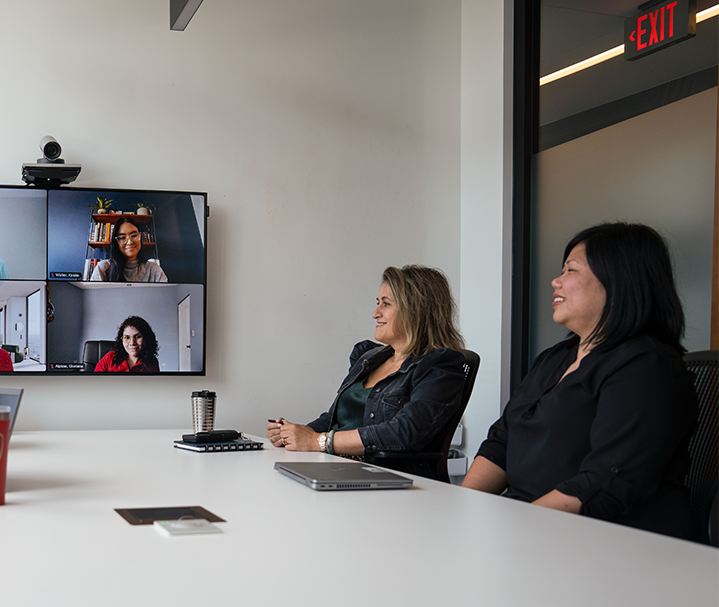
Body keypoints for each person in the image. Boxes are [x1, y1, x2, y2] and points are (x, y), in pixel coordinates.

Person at [462, 222, 697, 539]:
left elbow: (604, 483)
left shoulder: (647, 366)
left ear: (618, 279)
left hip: (605, 544)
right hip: (532, 528)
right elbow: (501, 444)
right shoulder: (555, 358)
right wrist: (463, 510)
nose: (555, 282)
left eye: (570, 271)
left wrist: (512, 531)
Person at [267, 265, 468, 478]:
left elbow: (404, 432)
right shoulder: (368, 357)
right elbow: (333, 418)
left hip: (383, 478)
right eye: (377, 303)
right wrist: (294, 436)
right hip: (335, 466)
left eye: (386, 304)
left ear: (416, 310)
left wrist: (318, 441)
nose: (375, 313)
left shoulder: (441, 366)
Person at [89, 218, 168, 282]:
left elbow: (165, 297)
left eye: (134, 236)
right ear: (116, 243)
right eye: (122, 238)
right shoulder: (103, 268)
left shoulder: (153, 269)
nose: (130, 242)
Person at [94, 315, 160, 373]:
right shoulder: (109, 358)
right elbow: (95, 383)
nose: (132, 343)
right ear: (121, 339)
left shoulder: (151, 362)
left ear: (146, 339)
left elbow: (153, 386)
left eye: (138, 337)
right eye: (127, 338)